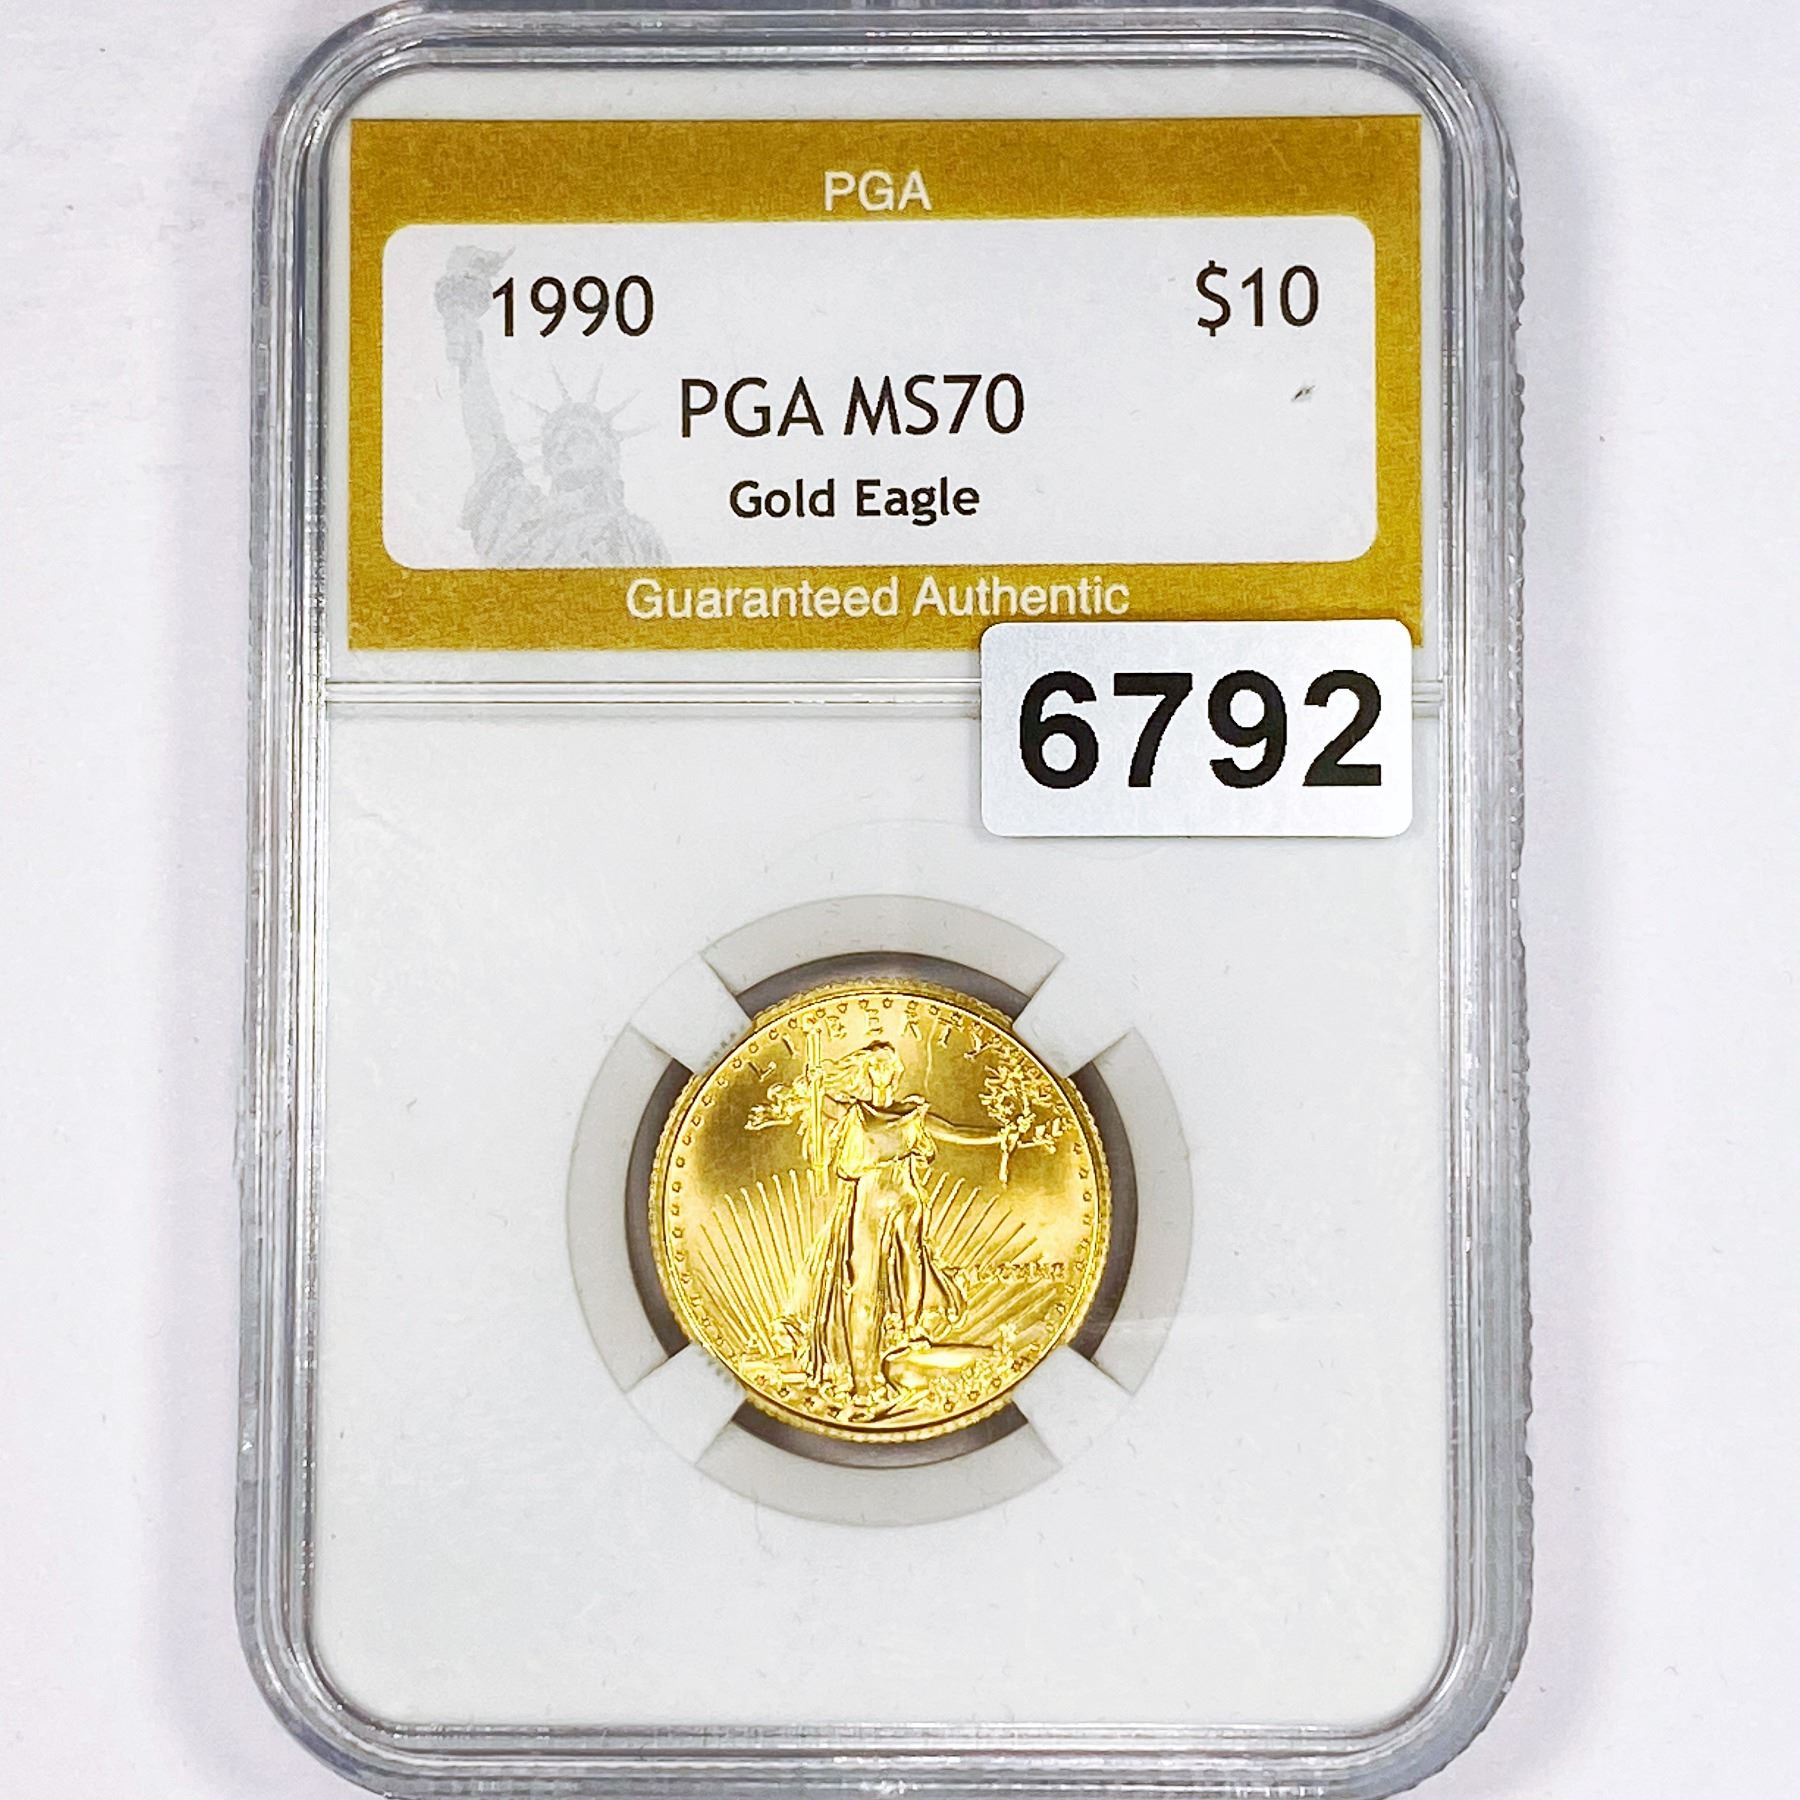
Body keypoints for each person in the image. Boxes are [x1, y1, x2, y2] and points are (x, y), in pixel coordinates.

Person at [433, 245, 667, 567]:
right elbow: (486, 430)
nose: (562, 446)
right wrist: (464, 322)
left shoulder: (635, 536)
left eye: (579, 437)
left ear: (609, 456)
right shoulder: (517, 513)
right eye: (554, 442)